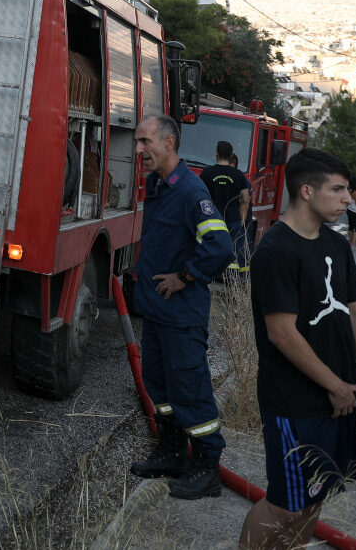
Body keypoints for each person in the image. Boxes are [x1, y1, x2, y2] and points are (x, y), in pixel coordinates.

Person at [238, 148, 356, 550]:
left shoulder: (335, 244)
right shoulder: (276, 250)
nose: (347, 199)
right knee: (284, 506)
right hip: (295, 402)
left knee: (316, 494)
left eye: (348, 190)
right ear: (306, 191)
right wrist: (335, 385)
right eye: (338, 189)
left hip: (340, 399)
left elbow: (355, 314)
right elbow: (282, 334)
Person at [129, 115, 234, 500]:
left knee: (189, 390)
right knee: (161, 387)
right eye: (137, 142)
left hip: (181, 315)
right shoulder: (158, 185)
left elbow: (220, 247)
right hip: (158, 313)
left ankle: (207, 468)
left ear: (169, 143)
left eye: (145, 142)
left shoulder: (191, 191)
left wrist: (184, 277)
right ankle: (172, 453)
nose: (138, 150)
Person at [200, 140, 252, 275]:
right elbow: (245, 199)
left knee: (210, 249)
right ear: (231, 155)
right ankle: (230, 281)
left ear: (216, 154)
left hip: (210, 222)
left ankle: (208, 277)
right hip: (232, 221)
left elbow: (199, 197)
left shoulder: (206, 173)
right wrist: (242, 220)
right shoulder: (239, 175)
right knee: (232, 252)